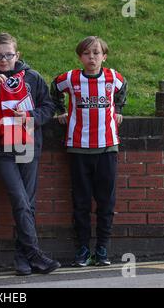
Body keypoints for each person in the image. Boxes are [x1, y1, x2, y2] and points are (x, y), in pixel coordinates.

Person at [0, 33, 60, 276]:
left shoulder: (33, 78)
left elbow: (48, 107)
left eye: (8, 54)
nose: (3, 59)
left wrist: (29, 118)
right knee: (20, 200)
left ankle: (23, 259)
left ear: (18, 55)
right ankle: (35, 255)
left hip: (29, 147)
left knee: (28, 204)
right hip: (2, 148)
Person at [50, 36, 127, 267]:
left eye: (96, 53)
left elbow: (123, 90)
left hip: (107, 148)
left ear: (104, 56)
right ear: (80, 57)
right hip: (78, 148)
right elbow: (54, 88)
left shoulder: (113, 77)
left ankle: (102, 249)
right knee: (81, 203)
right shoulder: (70, 78)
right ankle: (83, 250)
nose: (91, 57)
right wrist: (60, 110)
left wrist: (119, 109)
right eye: (86, 53)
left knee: (106, 202)